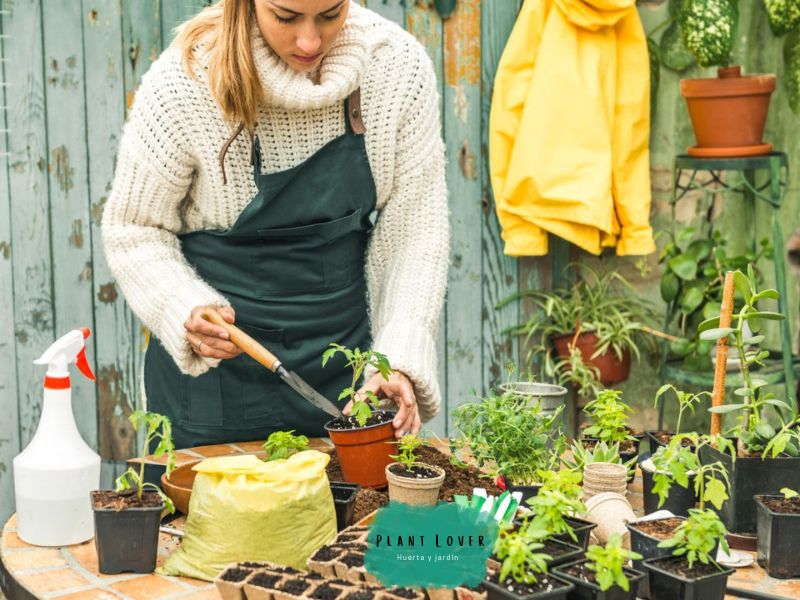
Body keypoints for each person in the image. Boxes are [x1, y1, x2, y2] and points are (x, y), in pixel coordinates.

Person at [101, 0, 449, 449]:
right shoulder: (185, 81)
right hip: (216, 384)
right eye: (285, 17)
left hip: (344, 379)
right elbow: (134, 228)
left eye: (330, 14)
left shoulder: (395, 68)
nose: (309, 41)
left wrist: (396, 359)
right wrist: (183, 306)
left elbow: (415, 229)